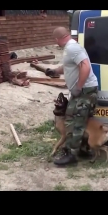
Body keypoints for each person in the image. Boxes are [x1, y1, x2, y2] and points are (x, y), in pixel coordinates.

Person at [46, 27, 99, 166]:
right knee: (75, 119)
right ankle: (82, 149)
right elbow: (69, 66)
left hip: (84, 91)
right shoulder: (70, 48)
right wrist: (54, 71)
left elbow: (85, 67)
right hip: (83, 91)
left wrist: (78, 87)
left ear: (58, 38)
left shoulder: (72, 48)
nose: (55, 42)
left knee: (74, 122)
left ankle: (72, 155)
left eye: (55, 40)